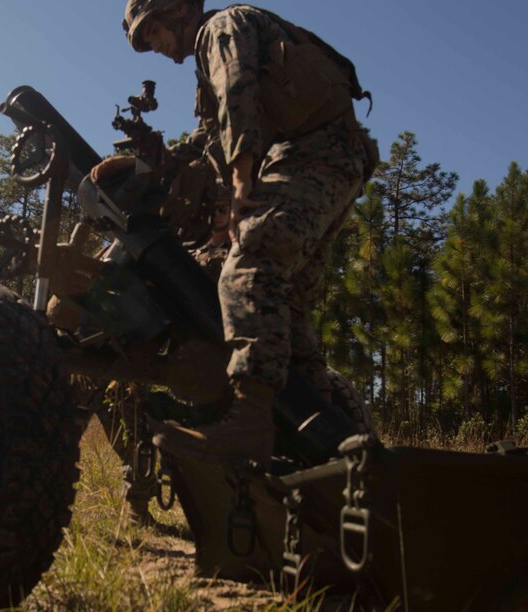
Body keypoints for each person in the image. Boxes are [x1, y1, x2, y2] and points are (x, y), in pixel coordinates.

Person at [121, 0, 376, 467]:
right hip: (335, 154)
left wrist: (241, 181)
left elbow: (237, 92)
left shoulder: (220, 29)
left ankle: (251, 424)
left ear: (178, 11)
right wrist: (156, 160)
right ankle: (328, 446)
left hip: (311, 151)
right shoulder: (215, 49)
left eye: (154, 33)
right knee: (288, 304)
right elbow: (209, 139)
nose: (155, 46)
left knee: (249, 266)